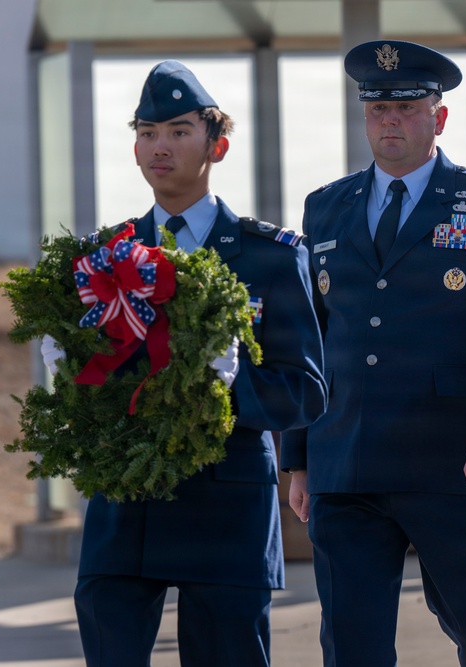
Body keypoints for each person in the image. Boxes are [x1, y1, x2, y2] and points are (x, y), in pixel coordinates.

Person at [43, 60, 328, 666]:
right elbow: (97, 393)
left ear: (216, 145)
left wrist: (232, 382)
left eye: (176, 130)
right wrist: (72, 374)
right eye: (146, 132)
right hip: (127, 504)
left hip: (224, 507)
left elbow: (304, 393)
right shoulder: (103, 257)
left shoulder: (269, 258)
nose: (158, 147)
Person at [279, 40, 466, 667]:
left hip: (453, 460)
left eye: (406, 107)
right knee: (351, 644)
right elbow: (307, 337)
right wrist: (299, 457)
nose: (390, 121)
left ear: (439, 117)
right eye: (377, 110)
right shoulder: (326, 207)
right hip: (346, 460)